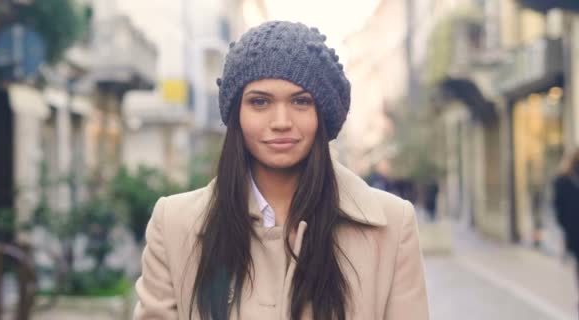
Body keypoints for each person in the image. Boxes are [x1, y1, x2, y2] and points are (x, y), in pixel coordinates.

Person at [134, 21, 429, 320]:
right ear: (237, 114)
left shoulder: (392, 225)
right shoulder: (174, 224)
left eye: (300, 101)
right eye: (260, 102)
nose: (281, 121)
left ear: (321, 114)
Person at [553, 149, 579, 304]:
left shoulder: (561, 180)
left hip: (573, 229)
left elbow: (558, 207)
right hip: (574, 229)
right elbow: (559, 207)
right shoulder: (562, 180)